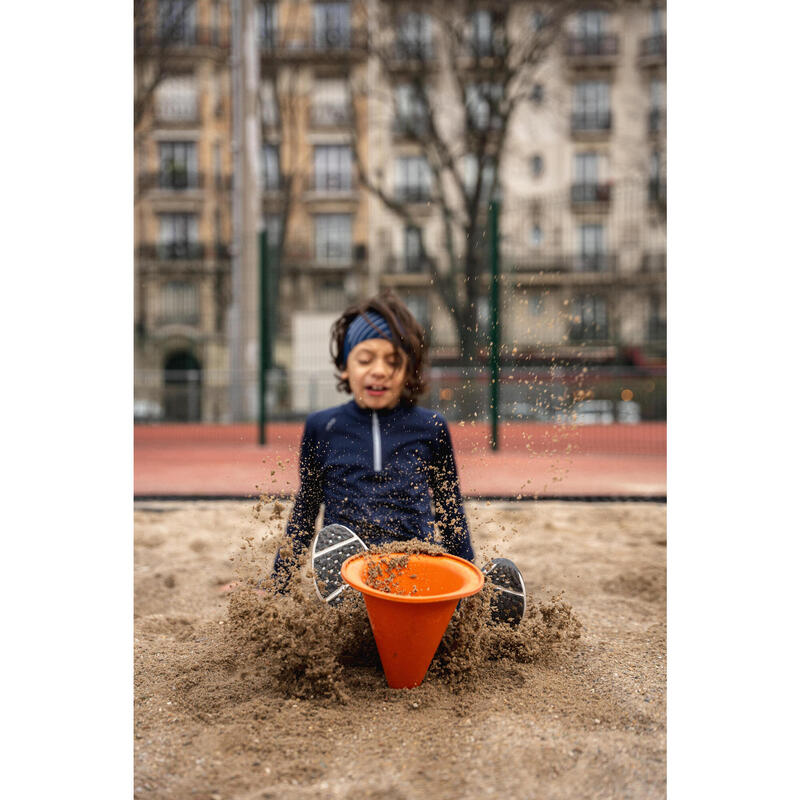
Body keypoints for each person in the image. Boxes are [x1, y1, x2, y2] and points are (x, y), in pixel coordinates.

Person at [271, 290, 526, 625]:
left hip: (416, 560)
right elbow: (305, 510)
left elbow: (450, 510)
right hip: (350, 563)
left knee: (433, 596)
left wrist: (468, 575)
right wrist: (277, 587)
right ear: (344, 367)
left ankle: (472, 607)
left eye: (393, 362)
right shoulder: (323, 427)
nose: (380, 371)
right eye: (365, 360)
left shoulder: (430, 427)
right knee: (349, 577)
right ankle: (352, 596)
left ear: (409, 370)